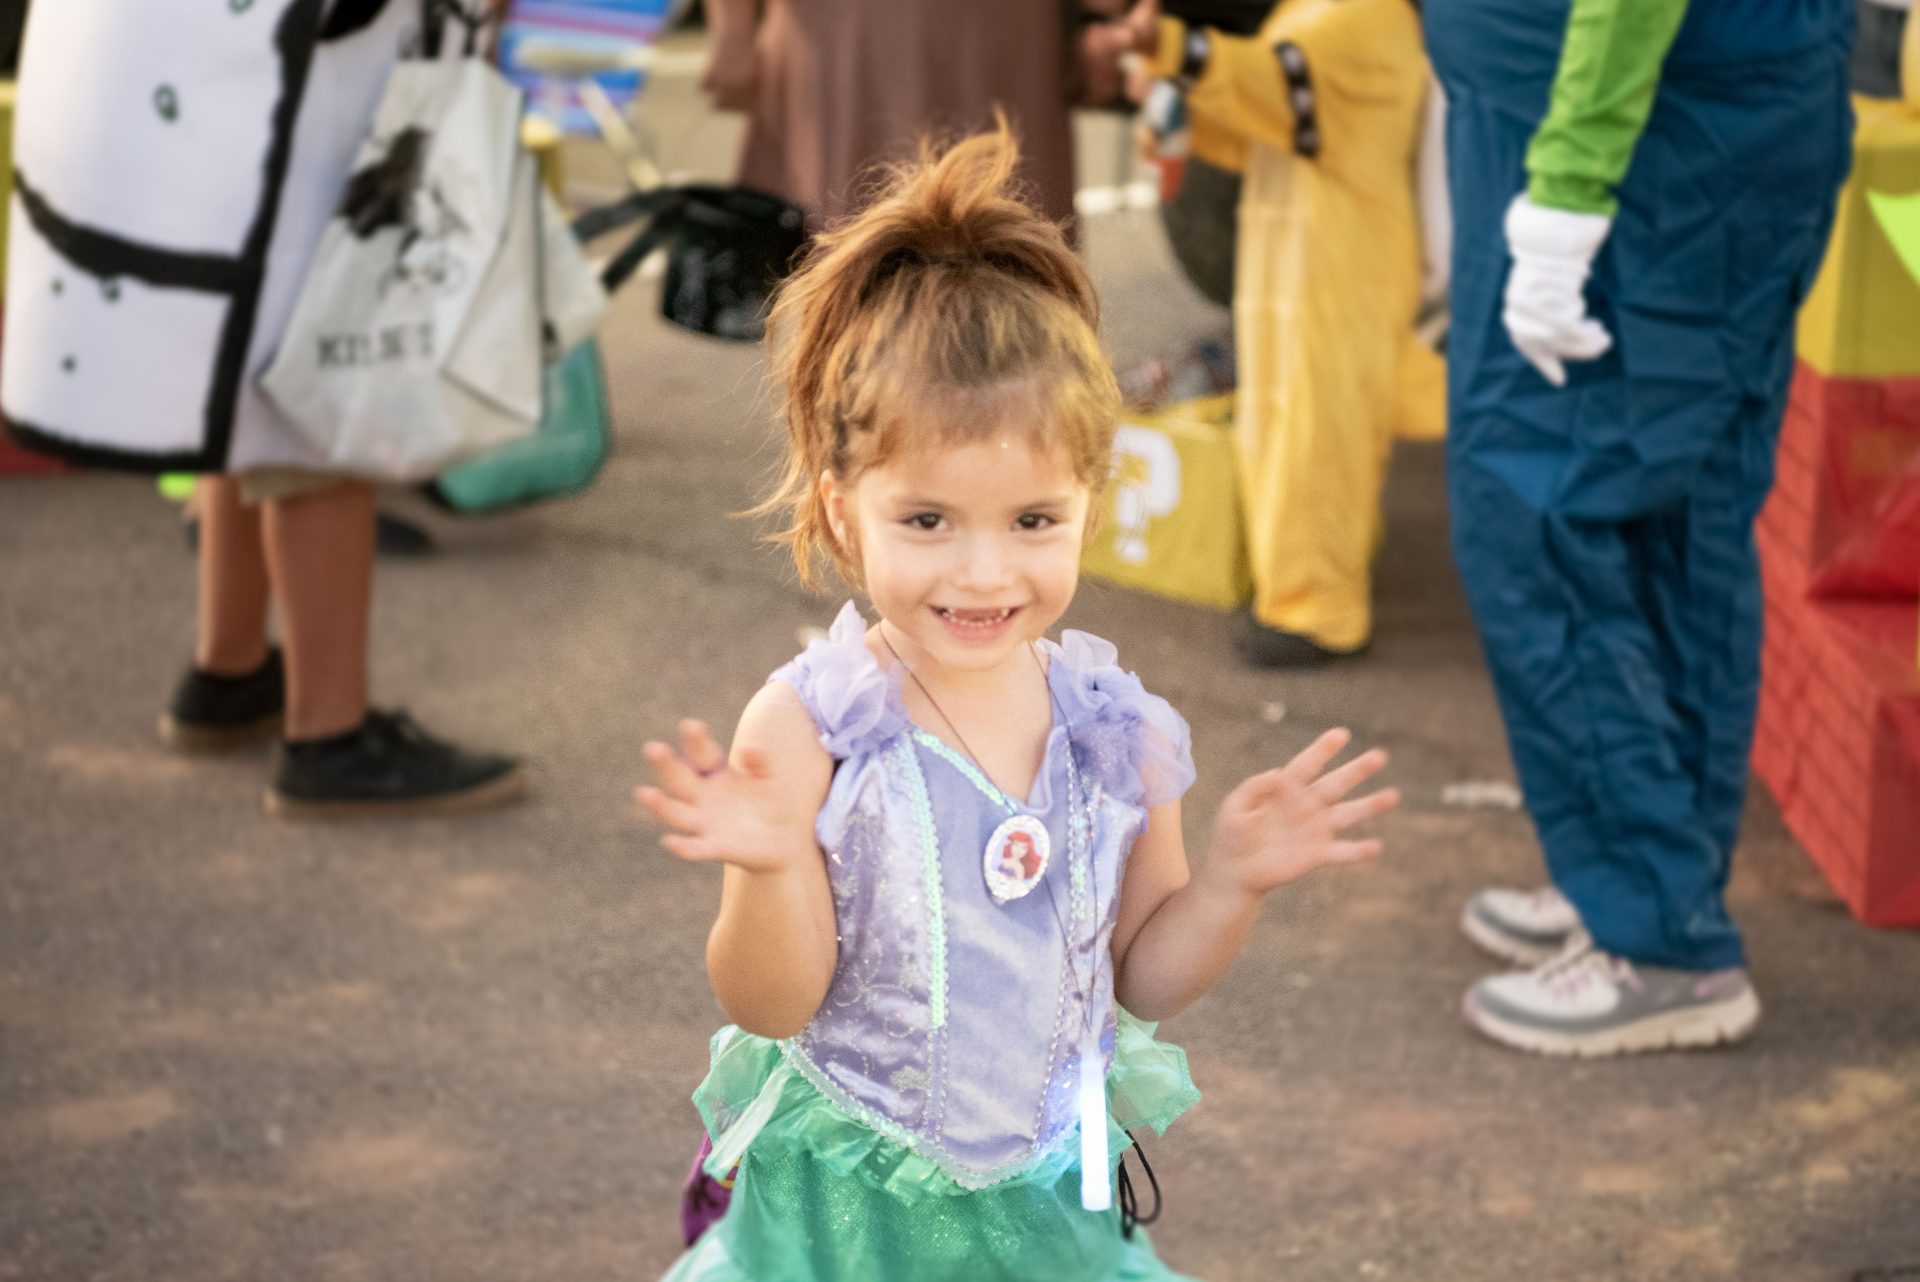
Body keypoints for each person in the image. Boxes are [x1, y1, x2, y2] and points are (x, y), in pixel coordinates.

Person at [633, 127, 1400, 1281]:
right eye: (928, 520)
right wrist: (769, 860)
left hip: (1051, 1211)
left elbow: (1143, 976)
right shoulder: (808, 731)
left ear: (1090, 504)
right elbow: (774, 1001)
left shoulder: (1116, 730)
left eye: (1032, 521)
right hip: (851, 1223)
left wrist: (1235, 882)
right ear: (845, 512)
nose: (984, 574)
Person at [1425, 0, 1853, 1054]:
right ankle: (1647, 882)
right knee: (1672, 517)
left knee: (1540, 512)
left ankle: (1655, 930)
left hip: (1631, 146)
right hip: (1677, 125)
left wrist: (1567, 194)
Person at [1, 0, 521, 817]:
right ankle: (330, 736)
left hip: (172, 81)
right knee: (319, 394)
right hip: (284, 84)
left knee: (233, 373)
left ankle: (230, 669)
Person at [1117, 0, 1447, 666]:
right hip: (1300, 263)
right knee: (1297, 433)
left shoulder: (1363, 21)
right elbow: (1256, 120)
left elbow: (1271, 85)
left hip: (1342, 267)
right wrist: (1175, 98)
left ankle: (1319, 611)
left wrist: (1173, 48)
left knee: (1317, 440)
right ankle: (1313, 578)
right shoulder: (1315, 12)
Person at [699, 0, 1148, 232]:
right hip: (844, 36)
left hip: (996, 38)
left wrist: (1100, 20)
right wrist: (732, 34)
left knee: (1009, 234)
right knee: (845, 233)